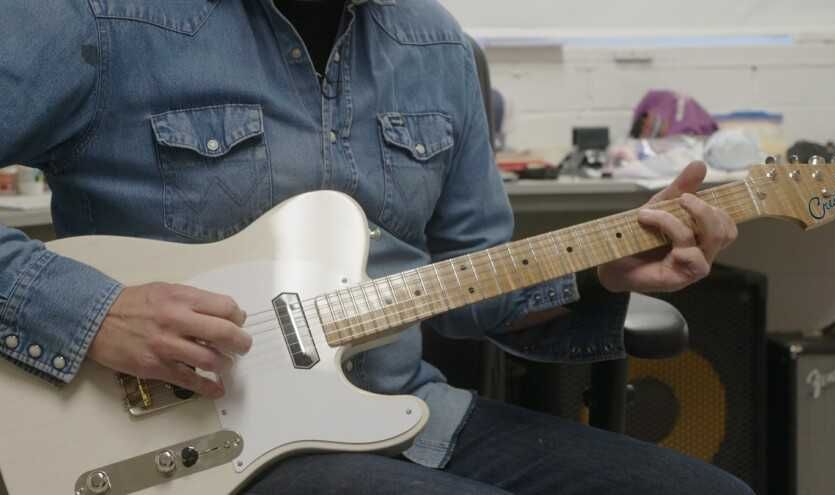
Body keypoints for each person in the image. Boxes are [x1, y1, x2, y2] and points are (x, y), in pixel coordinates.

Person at [0, 1, 748, 494]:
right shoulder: (98, 19)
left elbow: (476, 296)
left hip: (407, 410)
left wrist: (601, 271)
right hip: (202, 440)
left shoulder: (436, 44)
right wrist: (96, 313)